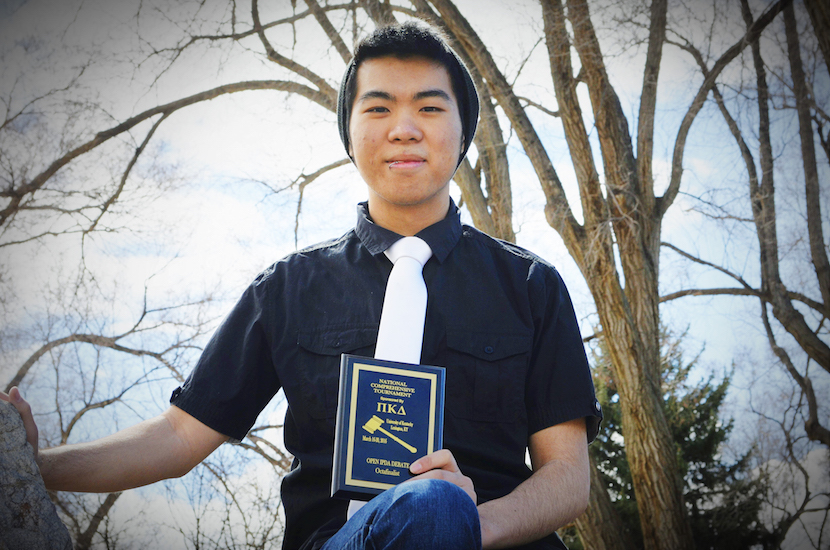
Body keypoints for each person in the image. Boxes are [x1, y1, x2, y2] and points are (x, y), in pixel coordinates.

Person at [1, 22, 601, 550]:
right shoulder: (286, 290)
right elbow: (178, 437)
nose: (404, 129)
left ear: (463, 133)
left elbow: (567, 480)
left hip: (490, 539)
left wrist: (470, 525)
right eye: (378, 108)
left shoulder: (532, 286)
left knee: (437, 506)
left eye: (429, 107)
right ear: (349, 134)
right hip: (334, 540)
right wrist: (25, 464)